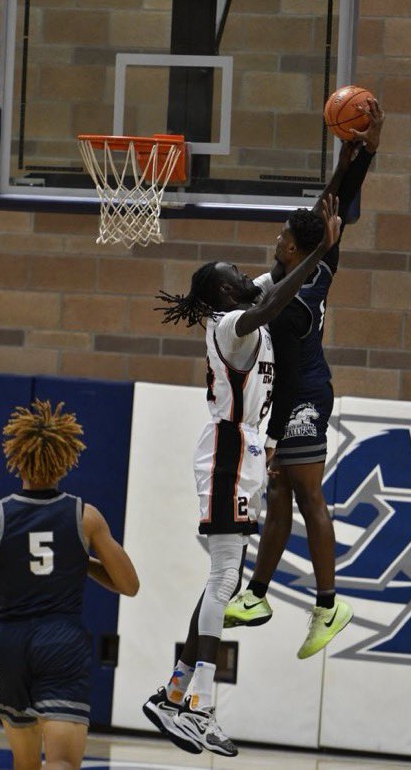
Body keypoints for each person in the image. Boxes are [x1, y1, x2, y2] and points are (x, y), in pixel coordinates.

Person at [142, 195, 342, 757]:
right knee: (224, 578)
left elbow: (286, 266)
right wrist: (318, 252)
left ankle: (174, 695)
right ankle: (197, 706)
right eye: (234, 273)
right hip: (228, 449)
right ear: (224, 293)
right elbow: (274, 296)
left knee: (221, 581)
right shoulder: (231, 322)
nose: (245, 271)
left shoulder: (244, 302)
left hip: (246, 451)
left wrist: (321, 228)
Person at [224, 98, 385, 659]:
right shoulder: (317, 261)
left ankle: (328, 604)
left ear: (292, 249)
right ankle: (258, 595)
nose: (275, 239)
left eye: (281, 237)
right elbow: (327, 210)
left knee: (308, 493)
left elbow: (284, 361)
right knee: (279, 492)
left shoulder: (289, 302)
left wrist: (272, 437)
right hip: (289, 395)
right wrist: (356, 156)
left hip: (305, 397)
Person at [0, 399, 139, 770]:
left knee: (25, 763)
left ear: (17, 458)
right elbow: (129, 585)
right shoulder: (85, 516)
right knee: (62, 762)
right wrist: (82, 561)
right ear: (65, 460)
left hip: (10, 643)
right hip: (61, 642)